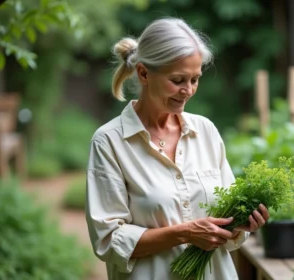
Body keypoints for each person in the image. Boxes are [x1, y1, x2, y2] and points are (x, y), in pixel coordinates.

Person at [85, 17, 270, 280]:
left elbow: (224, 225)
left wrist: (240, 223)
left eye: (195, 79)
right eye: (178, 80)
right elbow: (109, 240)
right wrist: (185, 233)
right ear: (144, 73)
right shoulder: (109, 142)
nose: (188, 90)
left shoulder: (205, 131)